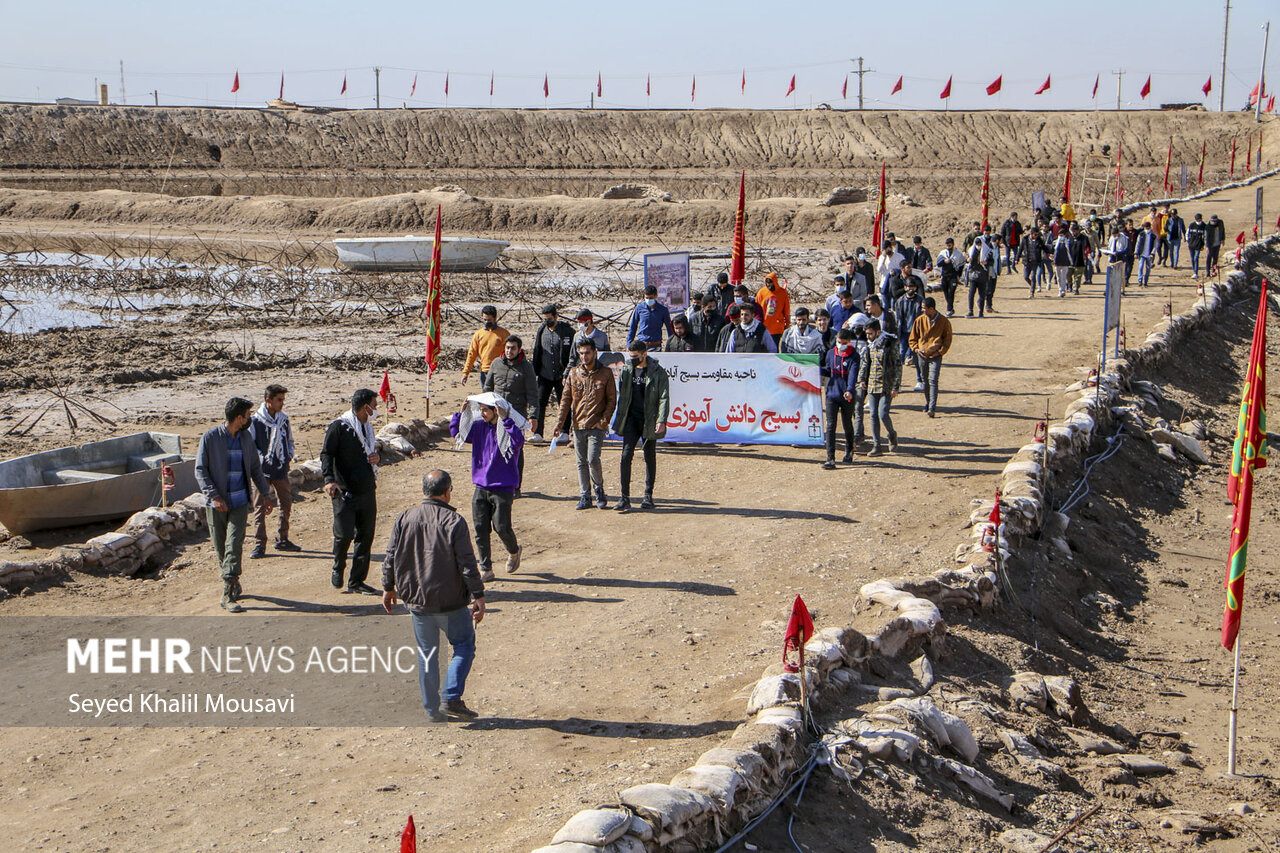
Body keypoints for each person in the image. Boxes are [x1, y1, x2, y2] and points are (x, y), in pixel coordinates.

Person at [381, 470, 485, 723]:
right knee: (463, 646)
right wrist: (478, 595)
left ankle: (431, 710)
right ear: (448, 491)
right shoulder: (454, 521)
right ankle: (451, 696)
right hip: (450, 601)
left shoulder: (405, 518)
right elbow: (468, 564)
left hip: (417, 600)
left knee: (427, 654)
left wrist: (388, 586)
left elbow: (390, 555)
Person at [197, 397, 274, 612]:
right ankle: (232, 582)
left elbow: (255, 470)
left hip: (240, 503)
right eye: (248, 415)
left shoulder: (245, 439)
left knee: (234, 545)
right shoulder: (210, 438)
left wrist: (266, 495)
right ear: (239, 418)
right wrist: (213, 496)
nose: (250, 418)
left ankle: (227, 594)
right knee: (222, 549)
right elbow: (200, 470)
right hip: (218, 505)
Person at [451, 394, 525, 582]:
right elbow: (458, 433)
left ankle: (514, 551)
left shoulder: (508, 428)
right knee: (480, 528)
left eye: (486, 410)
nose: (482, 413)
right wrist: (460, 414)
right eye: (481, 410)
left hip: (503, 487)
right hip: (481, 485)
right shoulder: (478, 427)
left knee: (502, 527)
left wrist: (505, 419)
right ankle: (486, 568)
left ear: (496, 411)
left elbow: (517, 442)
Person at [321, 388, 381, 595]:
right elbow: (326, 453)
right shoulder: (339, 427)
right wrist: (329, 479)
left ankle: (357, 580)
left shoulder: (368, 428)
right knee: (344, 534)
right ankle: (338, 567)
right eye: (374, 405)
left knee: (365, 537)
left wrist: (376, 459)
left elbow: (370, 452)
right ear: (365, 407)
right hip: (344, 492)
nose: (376, 409)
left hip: (366, 490)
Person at [555, 338, 617, 510]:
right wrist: (559, 424)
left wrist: (603, 422)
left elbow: (612, 400)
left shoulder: (605, 373)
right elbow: (565, 400)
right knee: (581, 462)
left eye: (587, 353)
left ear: (595, 353)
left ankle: (599, 491)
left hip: (596, 426)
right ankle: (585, 496)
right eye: (581, 353)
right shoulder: (574, 373)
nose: (584, 356)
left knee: (593, 459)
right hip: (578, 425)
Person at [611, 341, 670, 511]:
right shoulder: (627, 370)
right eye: (631, 357)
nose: (633, 360)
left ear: (644, 354)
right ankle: (624, 497)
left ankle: (648, 495)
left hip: (649, 419)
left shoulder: (658, 372)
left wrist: (661, 420)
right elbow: (622, 394)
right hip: (631, 418)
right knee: (625, 455)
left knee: (649, 456)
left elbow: (663, 397)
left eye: (636, 356)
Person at [248, 383, 298, 559]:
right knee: (259, 508)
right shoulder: (255, 421)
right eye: (279, 400)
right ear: (268, 401)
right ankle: (259, 544)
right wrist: (261, 460)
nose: (282, 403)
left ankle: (282, 538)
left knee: (286, 504)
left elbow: (289, 440)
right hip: (261, 472)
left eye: (283, 400)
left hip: (280, 469)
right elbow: (250, 446)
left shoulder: (283, 419)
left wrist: (288, 455)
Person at [483, 336, 536, 489]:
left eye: (513, 348)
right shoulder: (496, 364)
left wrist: (533, 416)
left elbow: (533, 394)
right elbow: (488, 388)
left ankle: (516, 485)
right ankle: (495, 482)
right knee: (494, 447)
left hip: (516, 414)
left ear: (519, 350)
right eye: (507, 348)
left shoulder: (526, 368)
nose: (509, 351)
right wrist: (485, 410)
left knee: (516, 449)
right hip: (495, 414)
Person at [531, 304, 575, 441]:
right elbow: (537, 350)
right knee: (540, 402)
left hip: (562, 374)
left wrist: (569, 371)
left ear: (556, 316)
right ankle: (538, 433)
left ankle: (565, 432)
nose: (547, 322)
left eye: (549, 319)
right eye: (545, 319)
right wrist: (535, 370)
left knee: (564, 402)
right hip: (545, 373)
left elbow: (573, 352)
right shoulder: (541, 330)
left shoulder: (567, 331)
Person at [857, 319, 901, 456]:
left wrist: (896, 386)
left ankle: (891, 433)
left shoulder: (890, 343)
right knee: (873, 414)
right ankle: (877, 445)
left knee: (883, 413)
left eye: (870, 334)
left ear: (878, 332)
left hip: (886, 385)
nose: (868, 336)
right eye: (867, 334)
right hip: (872, 384)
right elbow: (865, 363)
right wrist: (862, 379)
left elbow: (897, 365)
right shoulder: (869, 345)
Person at [821, 328, 860, 469]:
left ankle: (849, 450)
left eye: (843, 343)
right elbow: (828, 370)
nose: (840, 345)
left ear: (849, 342)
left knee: (847, 423)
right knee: (830, 425)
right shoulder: (831, 353)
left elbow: (853, 375)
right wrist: (815, 368)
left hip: (846, 396)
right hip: (831, 394)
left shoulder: (854, 356)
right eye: (838, 342)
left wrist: (849, 390)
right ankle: (830, 458)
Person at [908, 297, 953, 418]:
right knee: (925, 380)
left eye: (924, 308)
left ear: (932, 309)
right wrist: (917, 349)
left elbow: (947, 340)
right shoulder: (919, 320)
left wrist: (940, 352)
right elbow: (913, 339)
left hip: (935, 356)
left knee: (933, 380)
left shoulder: (943, 321)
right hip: (921, 355)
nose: (922, 311)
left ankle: (932, 407)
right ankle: (928, 402)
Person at [461, 305, 509, 386]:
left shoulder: (504, 334)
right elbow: (471, 354)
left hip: (500, 372)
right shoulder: (478, 334)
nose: (487, 322)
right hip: (484, 372)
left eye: (489, 320)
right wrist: (465, 373)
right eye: (485, 320)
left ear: (495, 318)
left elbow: (511, 354)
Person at [894, 277, 925, 390]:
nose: (911, 289)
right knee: (900, 356)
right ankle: (897, 383)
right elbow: (898, 319)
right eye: (909, 287)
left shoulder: (920, 301)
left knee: (917, 357)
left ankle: (920, 381)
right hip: (904, 333)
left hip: (916, 333)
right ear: (905, 287)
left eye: (913, 287)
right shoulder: (900, 301)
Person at [627, 284, 673, 349]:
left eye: (651, 298)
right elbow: (633, 326)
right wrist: (629, 344)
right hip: (642, 344)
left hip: (656, 344)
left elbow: (669, 328)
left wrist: (671, 345)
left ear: (656, 296)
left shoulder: (663, 310)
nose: (648, 300)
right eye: (647, 298)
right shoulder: (639, 308)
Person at [567, 308, 610, 373]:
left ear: (589, 322)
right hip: (581, 372)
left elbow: (608, 356)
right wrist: (567, 373)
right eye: (578, 322)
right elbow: (573, 357)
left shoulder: (602, 336)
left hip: (597, 372)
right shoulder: (577, 336)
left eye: (581, 322)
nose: (579, 325)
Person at [755, 272, 791, 346]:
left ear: (775, 281)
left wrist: (787, 324)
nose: (768, 284)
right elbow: (756, 309)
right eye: (767, 282)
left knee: (775, 350)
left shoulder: (782, 293)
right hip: (763, 327)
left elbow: (786, 310)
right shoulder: (761, 292)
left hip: (777, 328)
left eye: (770, 282)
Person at [935, 238, 964, 316]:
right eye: (947, 244)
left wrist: (959, 275)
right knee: (946, 292)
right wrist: (944, 261)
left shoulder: (958, 254)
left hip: (953, 276)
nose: (949, 245)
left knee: (951, 292)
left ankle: (949, 309)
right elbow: (938, 264)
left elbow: (961, 265)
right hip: (944, 275)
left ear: (953, 244)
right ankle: (950, 307)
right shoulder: (943, 253)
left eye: (950, 243)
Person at [963, 241, 989, 318]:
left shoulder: (987, 251)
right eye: (977, 244)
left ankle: (981, 312)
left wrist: (986, 262)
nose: (978, 245)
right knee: (971, 293)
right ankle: (970, 311)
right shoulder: (971, 251)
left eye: (979, 244)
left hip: (982, 276)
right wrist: (968, 260)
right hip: (973, 275)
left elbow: (991, 261)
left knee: (982, 294)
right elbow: (966, 261)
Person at [1021, 226, 1046, 296]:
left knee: (1033, 276)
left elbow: (1044, 247)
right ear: (1031, 234)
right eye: (1035, 234)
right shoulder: (1025, 239)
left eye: (1037, 234)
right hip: (1027, 260)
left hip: (1035, 261)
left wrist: (1049, 252)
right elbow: (1021, 248)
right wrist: (1016, 258)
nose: (1036, 236)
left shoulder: (1039, 240)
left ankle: (1032, 292)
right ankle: (1032, 285)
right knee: (1026, 276)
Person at [1134, 221, 1158, 287]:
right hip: (1142, 254)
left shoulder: (1153, 235)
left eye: (1148, 228)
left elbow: (1155, 245)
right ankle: (1140, 280)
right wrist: (1136, 252)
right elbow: (1138, 244)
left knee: (1148, 268)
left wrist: (1152, 253)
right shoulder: (1141, 234)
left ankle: (1146, 281)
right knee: (1140, 267)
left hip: (1149, 255)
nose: (1147, 229)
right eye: (1146, 228)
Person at [1187, 213, 1207, 279]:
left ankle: (1196, 272)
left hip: (1199, 244)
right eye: (1197, 219)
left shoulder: (1204, 226)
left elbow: (1205, 236)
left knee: (1196, 258)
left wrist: (1203, 244)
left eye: (1200, 219)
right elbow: (1188, 233)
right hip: (1192, 244)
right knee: (1192, 259)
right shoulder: (1192, 225)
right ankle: (1194, 270)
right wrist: (1188, 241)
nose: (1199, 220)